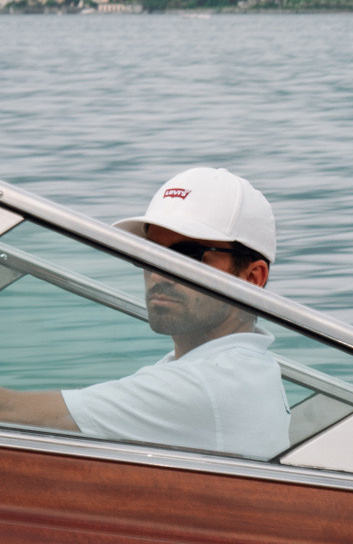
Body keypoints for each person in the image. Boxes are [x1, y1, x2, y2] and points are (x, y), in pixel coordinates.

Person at [0, 165, 291, 461]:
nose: (157, 275)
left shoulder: (210, 386)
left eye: (187, 256)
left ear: (252, 278)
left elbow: (9, 412)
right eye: (148, 254)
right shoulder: (249, 368)